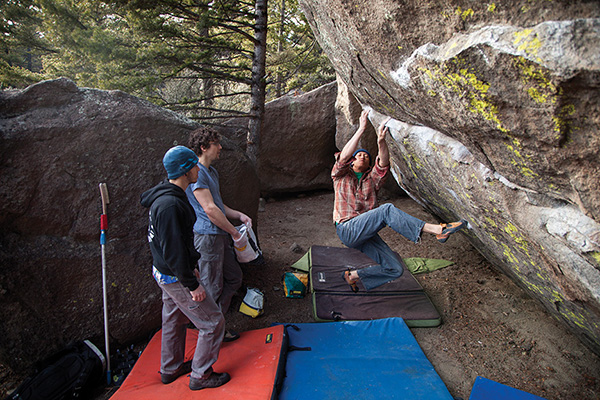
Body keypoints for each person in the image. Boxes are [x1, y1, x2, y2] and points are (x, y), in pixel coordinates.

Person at [332, 109, 467, 292]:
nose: (363, 156)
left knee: (395, 269)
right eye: (359, 155)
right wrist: (362, 129)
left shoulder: (371, 180)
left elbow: (383, 164)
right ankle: (438, 230)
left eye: (366, 156)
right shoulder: (340, 175)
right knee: (386, 210)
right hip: (347, 228)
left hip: (364, 233)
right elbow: (345, 156)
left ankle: (353, 275)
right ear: (352, 162)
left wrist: (381, 142)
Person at [140, 145, 230, 390]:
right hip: (175, 276)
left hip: (165, 272)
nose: (197, 169)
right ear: (185, 170)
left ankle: (170, 368)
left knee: (174, 318)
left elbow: (172, 244)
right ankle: (201, 375)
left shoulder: (167, 197)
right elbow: (173, 250)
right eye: (193, 165)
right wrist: (192, 284)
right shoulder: (169, 205)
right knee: (212, 322)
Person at [185, 127, 249, 341]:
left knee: (234, 278)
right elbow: (209, 210)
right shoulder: (196, 172)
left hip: (220, 235)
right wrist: (234, 233)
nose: (220, 147)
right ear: (203, 147)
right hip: (207, 237)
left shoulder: (211, 172)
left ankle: (215, 326)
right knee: (211, 286)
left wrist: (238, 215)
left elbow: (218, 205)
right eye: (215, 144)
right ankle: (210, 336)